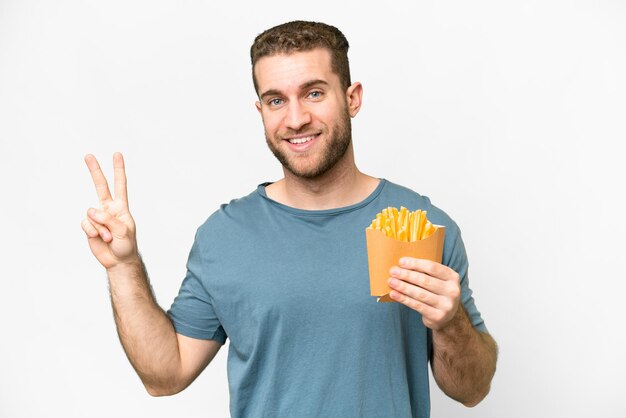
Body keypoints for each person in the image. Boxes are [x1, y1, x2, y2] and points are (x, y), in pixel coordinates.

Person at [81, 20, 497, 418]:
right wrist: (123, 266)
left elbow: (472, 390)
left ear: (352, 98)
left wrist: (450, 322)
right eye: (277, 100)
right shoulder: (225, 236)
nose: (295, 119)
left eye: (314, 93)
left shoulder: (421, 225)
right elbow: (164, 376)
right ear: (260, 109)